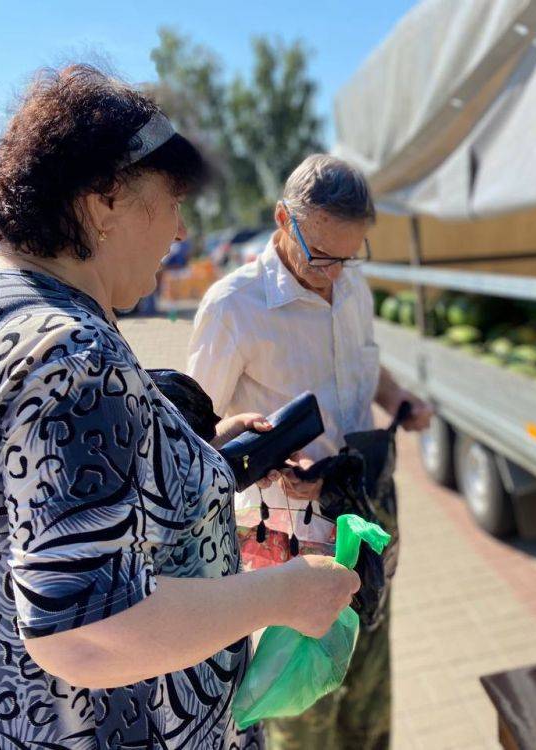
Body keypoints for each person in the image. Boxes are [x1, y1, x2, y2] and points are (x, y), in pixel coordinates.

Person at [0, 65, 360, 749]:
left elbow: (48, 501)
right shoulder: (72, 354)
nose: (181, 233)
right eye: (173, 202)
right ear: (105, 197)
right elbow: (87, 635)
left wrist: (200, 462)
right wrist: (285, 595)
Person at [187, 153, 432, 750]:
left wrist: (399, 394)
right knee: (303, 716)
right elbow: (194, 434)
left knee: (369, 697)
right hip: (290, 545)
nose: (333, 273)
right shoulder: (232, 306)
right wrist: (259, 454)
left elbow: (362, 365)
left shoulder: (352, 287)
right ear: (281, 219)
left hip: (363, 523)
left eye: (349, 256)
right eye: (321, 255)